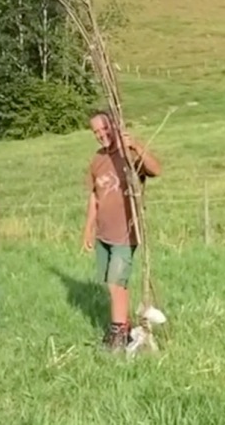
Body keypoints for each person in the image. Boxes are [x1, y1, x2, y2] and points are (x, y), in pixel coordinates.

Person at [81, 110, 162, 351]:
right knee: (111, 282)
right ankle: (121, 327)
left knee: (118, 281)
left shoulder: (128, 155)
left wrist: (136, 145)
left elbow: (156, 170)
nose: (101, 135)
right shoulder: (96, 160)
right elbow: (94, 196)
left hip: (125, 232)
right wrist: (88, 228)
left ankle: (118, 332)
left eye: (104, 129)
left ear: (114, 127)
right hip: (104, 232)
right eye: (96, 131)